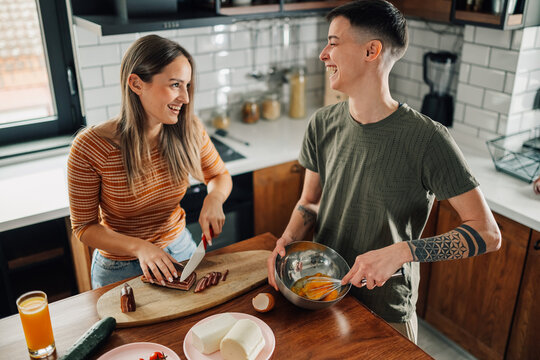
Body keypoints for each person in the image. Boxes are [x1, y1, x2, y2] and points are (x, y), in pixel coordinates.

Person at [266, 0, 501, 343]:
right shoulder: (322, 123)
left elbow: (488, 233)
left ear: (371, 50)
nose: (323, 54)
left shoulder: (428, 139)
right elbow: (310, 201)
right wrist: (288, 237)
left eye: (333, 42)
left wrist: (403, 251)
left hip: (386, 310)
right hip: (322, 294)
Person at [67, 35, 232, 289]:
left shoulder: (188, 128)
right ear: (136, 84)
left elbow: (219, 175)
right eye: (175, 84)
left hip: (181, 252)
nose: (185, 98)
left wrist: (215, 198)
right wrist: (140, 247)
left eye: (187, 85)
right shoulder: (90, 147)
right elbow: (84, 227)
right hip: (119, 269)